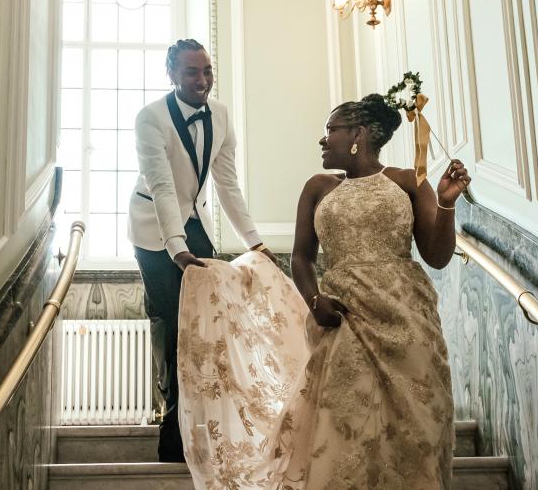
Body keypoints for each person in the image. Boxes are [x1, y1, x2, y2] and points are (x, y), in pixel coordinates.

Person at [174, 92, 471, 489]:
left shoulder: (407, 181)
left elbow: (436, 255)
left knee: (415, 425)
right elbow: (301, 258)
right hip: (345, 318)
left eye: (331, 129)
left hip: (407, 319)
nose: (323, 139)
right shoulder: (318, 187)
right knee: (346, 426)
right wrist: (314, 301)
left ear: (358, 135)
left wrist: (448, 203)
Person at [128, 38, 276, 463]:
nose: (203, 80)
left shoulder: (222, 115)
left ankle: (212, 421)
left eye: (207, 71)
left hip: (193, 220)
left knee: (210, 323)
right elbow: (160, 186)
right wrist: (176, 249)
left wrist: (255, 243)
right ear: (171, 74)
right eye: (192, 72)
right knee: (173, 324)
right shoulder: (149, 118)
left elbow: (228, 184)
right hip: (151, 228)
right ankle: (170, 432)